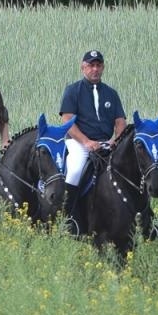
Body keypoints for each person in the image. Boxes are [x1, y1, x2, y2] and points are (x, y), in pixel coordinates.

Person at [60, 49, 126, 232]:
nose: (95, 69)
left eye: (98, 65)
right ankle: (67, 218)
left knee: (131, 169)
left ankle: (146, 220)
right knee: (75, 170)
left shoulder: (111, 93)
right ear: (83, 67)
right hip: (78, 143)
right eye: (91, 65)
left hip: (106, 143)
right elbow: (67, 120)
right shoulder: (73, 90)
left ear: (103, 68)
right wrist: (86, 142)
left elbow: (120, 122)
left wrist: (116, 141)